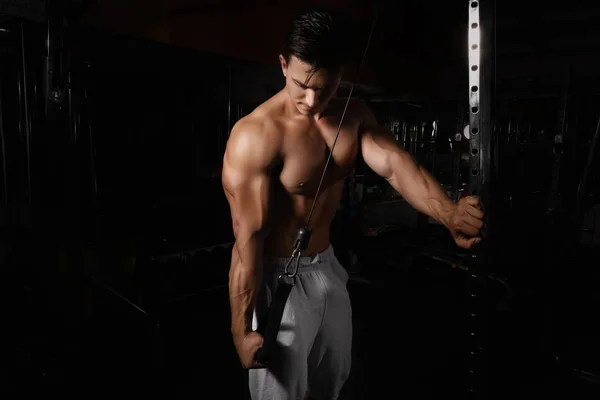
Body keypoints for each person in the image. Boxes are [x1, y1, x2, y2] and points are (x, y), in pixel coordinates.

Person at [221, 9, 484, 400]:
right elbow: (248, 241)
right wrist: (241, 330)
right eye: (300, 85)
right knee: (282, 393)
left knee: (332, 382)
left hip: (328, 268)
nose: (311, 100)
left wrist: (449, 214)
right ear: (282, 65)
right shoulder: (256, 136)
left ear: (342, 75)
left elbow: (395, 166)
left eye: (324, 88)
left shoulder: (355, 116)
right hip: (277, 281)